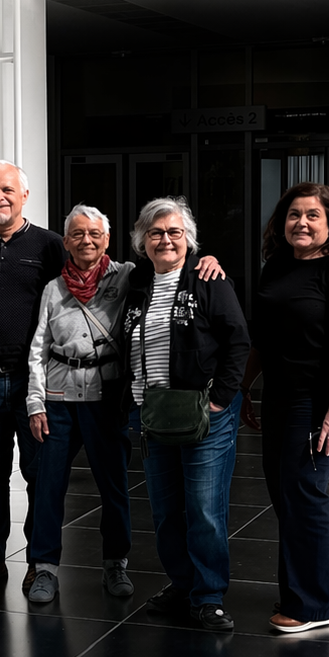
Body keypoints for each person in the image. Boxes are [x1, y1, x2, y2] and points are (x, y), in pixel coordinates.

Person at [24, 205, 223, 604]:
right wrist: (35, 401)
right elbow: (38, 349)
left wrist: (207, 260)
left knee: (114, 488)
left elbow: (173, 262)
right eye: (77, 234)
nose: (86, 241)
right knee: (47, 489)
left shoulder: (130, 276)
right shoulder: (53, 288)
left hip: (108, 399)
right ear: (66, 242)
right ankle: (44, 568)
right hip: (60, 399)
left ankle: (116, 563)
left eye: (94, 234)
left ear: (107, 240)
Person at [241, 183, 329, 634]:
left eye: (313, 215)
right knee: (285, 492)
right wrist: (244, 386)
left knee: (303, 491)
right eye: (294, 214)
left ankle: (308, 606)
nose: (302, 223)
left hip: (319, 397)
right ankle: (324, 592)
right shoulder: (276, 266)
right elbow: (263, 336)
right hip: (280, 392)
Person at [121, 196, 250, 632]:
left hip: (203, 414)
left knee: (204, 508)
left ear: (189, 239)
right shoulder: (135, 284)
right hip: (153, 414)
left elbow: (238, 341)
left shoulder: (207, 278)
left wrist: (221, 399)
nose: (166, 240)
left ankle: (208, 595)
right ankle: (182, 583)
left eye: (175, 232)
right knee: (165, 509)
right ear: (143, 240)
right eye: (156, 232)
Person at [0, 161, 66, 591]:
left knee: (39, 473)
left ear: (24, 195)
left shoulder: (49, 245)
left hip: (32, 380)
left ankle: (40, 561)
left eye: (6, 190)